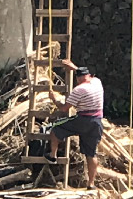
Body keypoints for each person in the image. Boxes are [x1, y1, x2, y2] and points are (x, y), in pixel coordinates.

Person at [46, 59, 104, 189]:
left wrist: (54, 99)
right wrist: (74, 67)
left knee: (55, 128)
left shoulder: (79, 90)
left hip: (83, 120)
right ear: (89, 75)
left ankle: (52, 156)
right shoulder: (97, 82)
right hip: (97, 122)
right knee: (91, 154)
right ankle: (91, 183)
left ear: (78, 79)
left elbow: (64, 108)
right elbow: (84, 74)